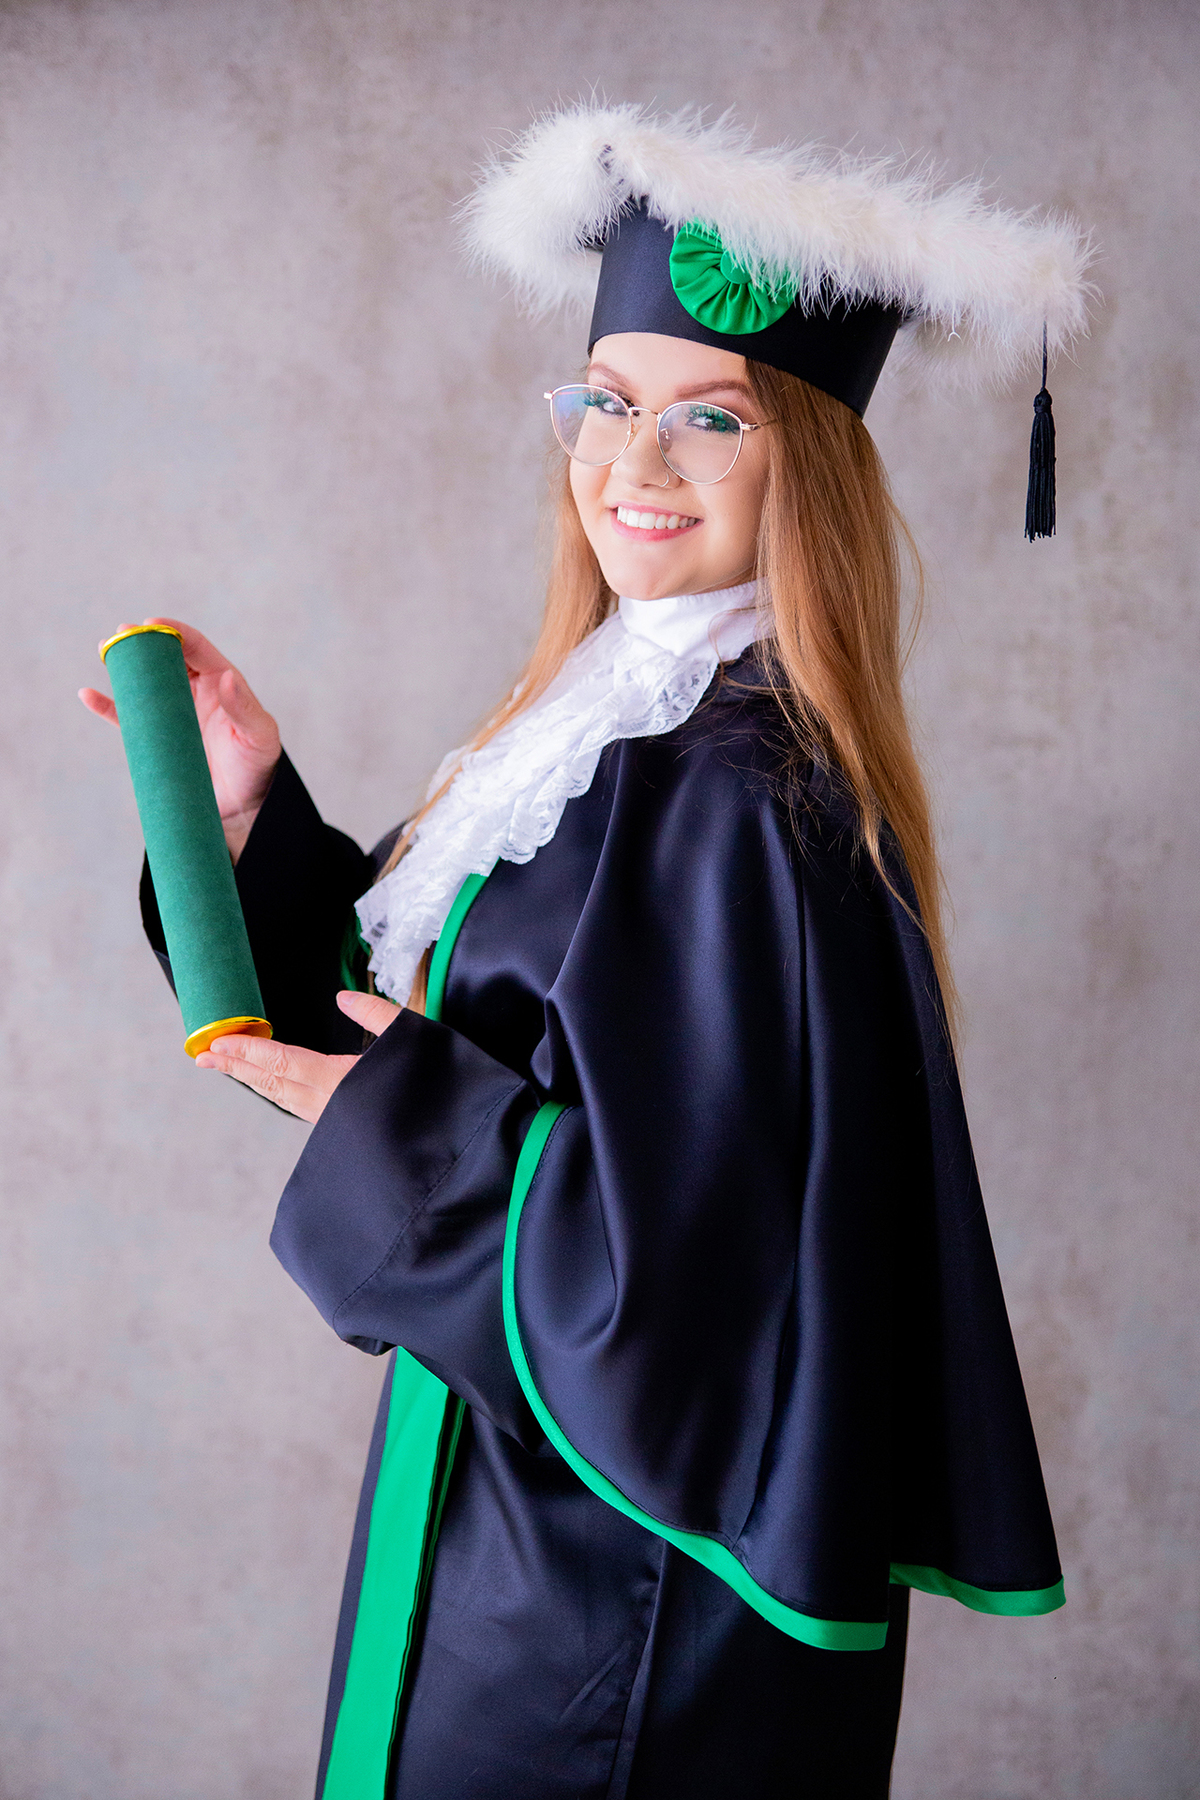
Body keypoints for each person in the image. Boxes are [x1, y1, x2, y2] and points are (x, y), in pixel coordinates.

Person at [82, 103, 1091, 1800]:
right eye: (606, 405)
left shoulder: (752, 793)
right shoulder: (611, 729)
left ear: (809, 467)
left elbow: (680, 1262)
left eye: (711, 420)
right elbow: (405, 1025)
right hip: (511, 1481)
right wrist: (244, 810)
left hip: (632, 1568)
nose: (638, 463)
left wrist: (382, 1120)